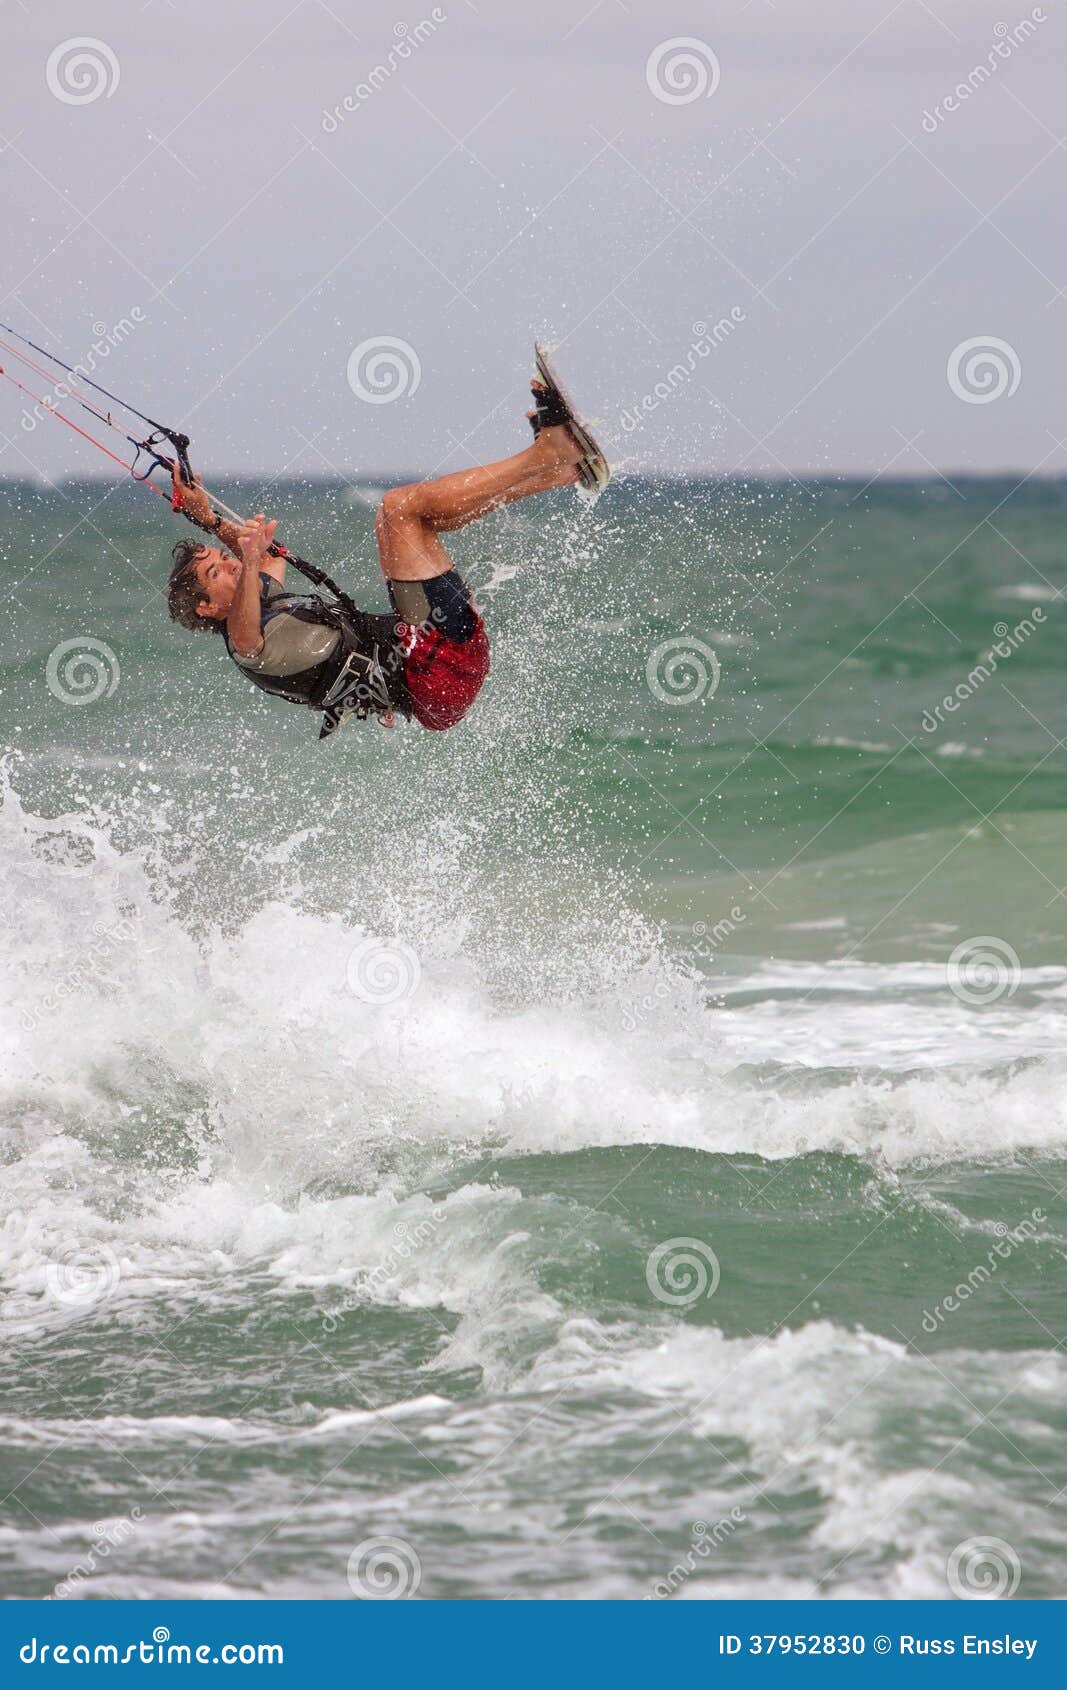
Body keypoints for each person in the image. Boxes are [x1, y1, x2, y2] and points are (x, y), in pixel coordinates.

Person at [165, 377, 603, 738]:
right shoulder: (248, 646)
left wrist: (207, 519)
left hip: (426, 655)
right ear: (207, 607)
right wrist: (245, 556)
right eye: (215, 572)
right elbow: (247, 610)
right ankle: (546, 454)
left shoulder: (265, 601)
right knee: (399, 508)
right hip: (433, 676)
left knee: (414, 520)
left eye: (223, 558)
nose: (231, 563)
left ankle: (557, 473)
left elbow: (261, 563)